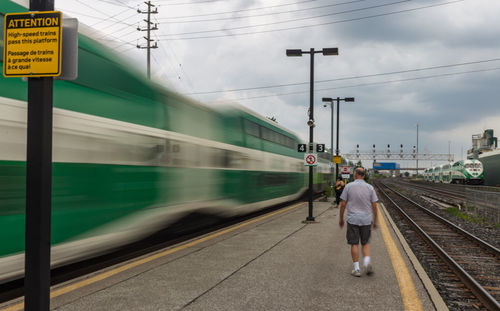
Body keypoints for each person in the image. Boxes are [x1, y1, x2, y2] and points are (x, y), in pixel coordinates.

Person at [338, 167, 378, 277]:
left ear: (355, 175)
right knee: (365, 243)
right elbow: (375, 206)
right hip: (366, 219)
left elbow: (343, 205)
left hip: (353, 219)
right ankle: (366, 263)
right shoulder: (370, 188)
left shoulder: (348, 186)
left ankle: (356, 269)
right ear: (364, 175)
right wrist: (375, 221)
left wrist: (341, 219)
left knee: (354, 243)